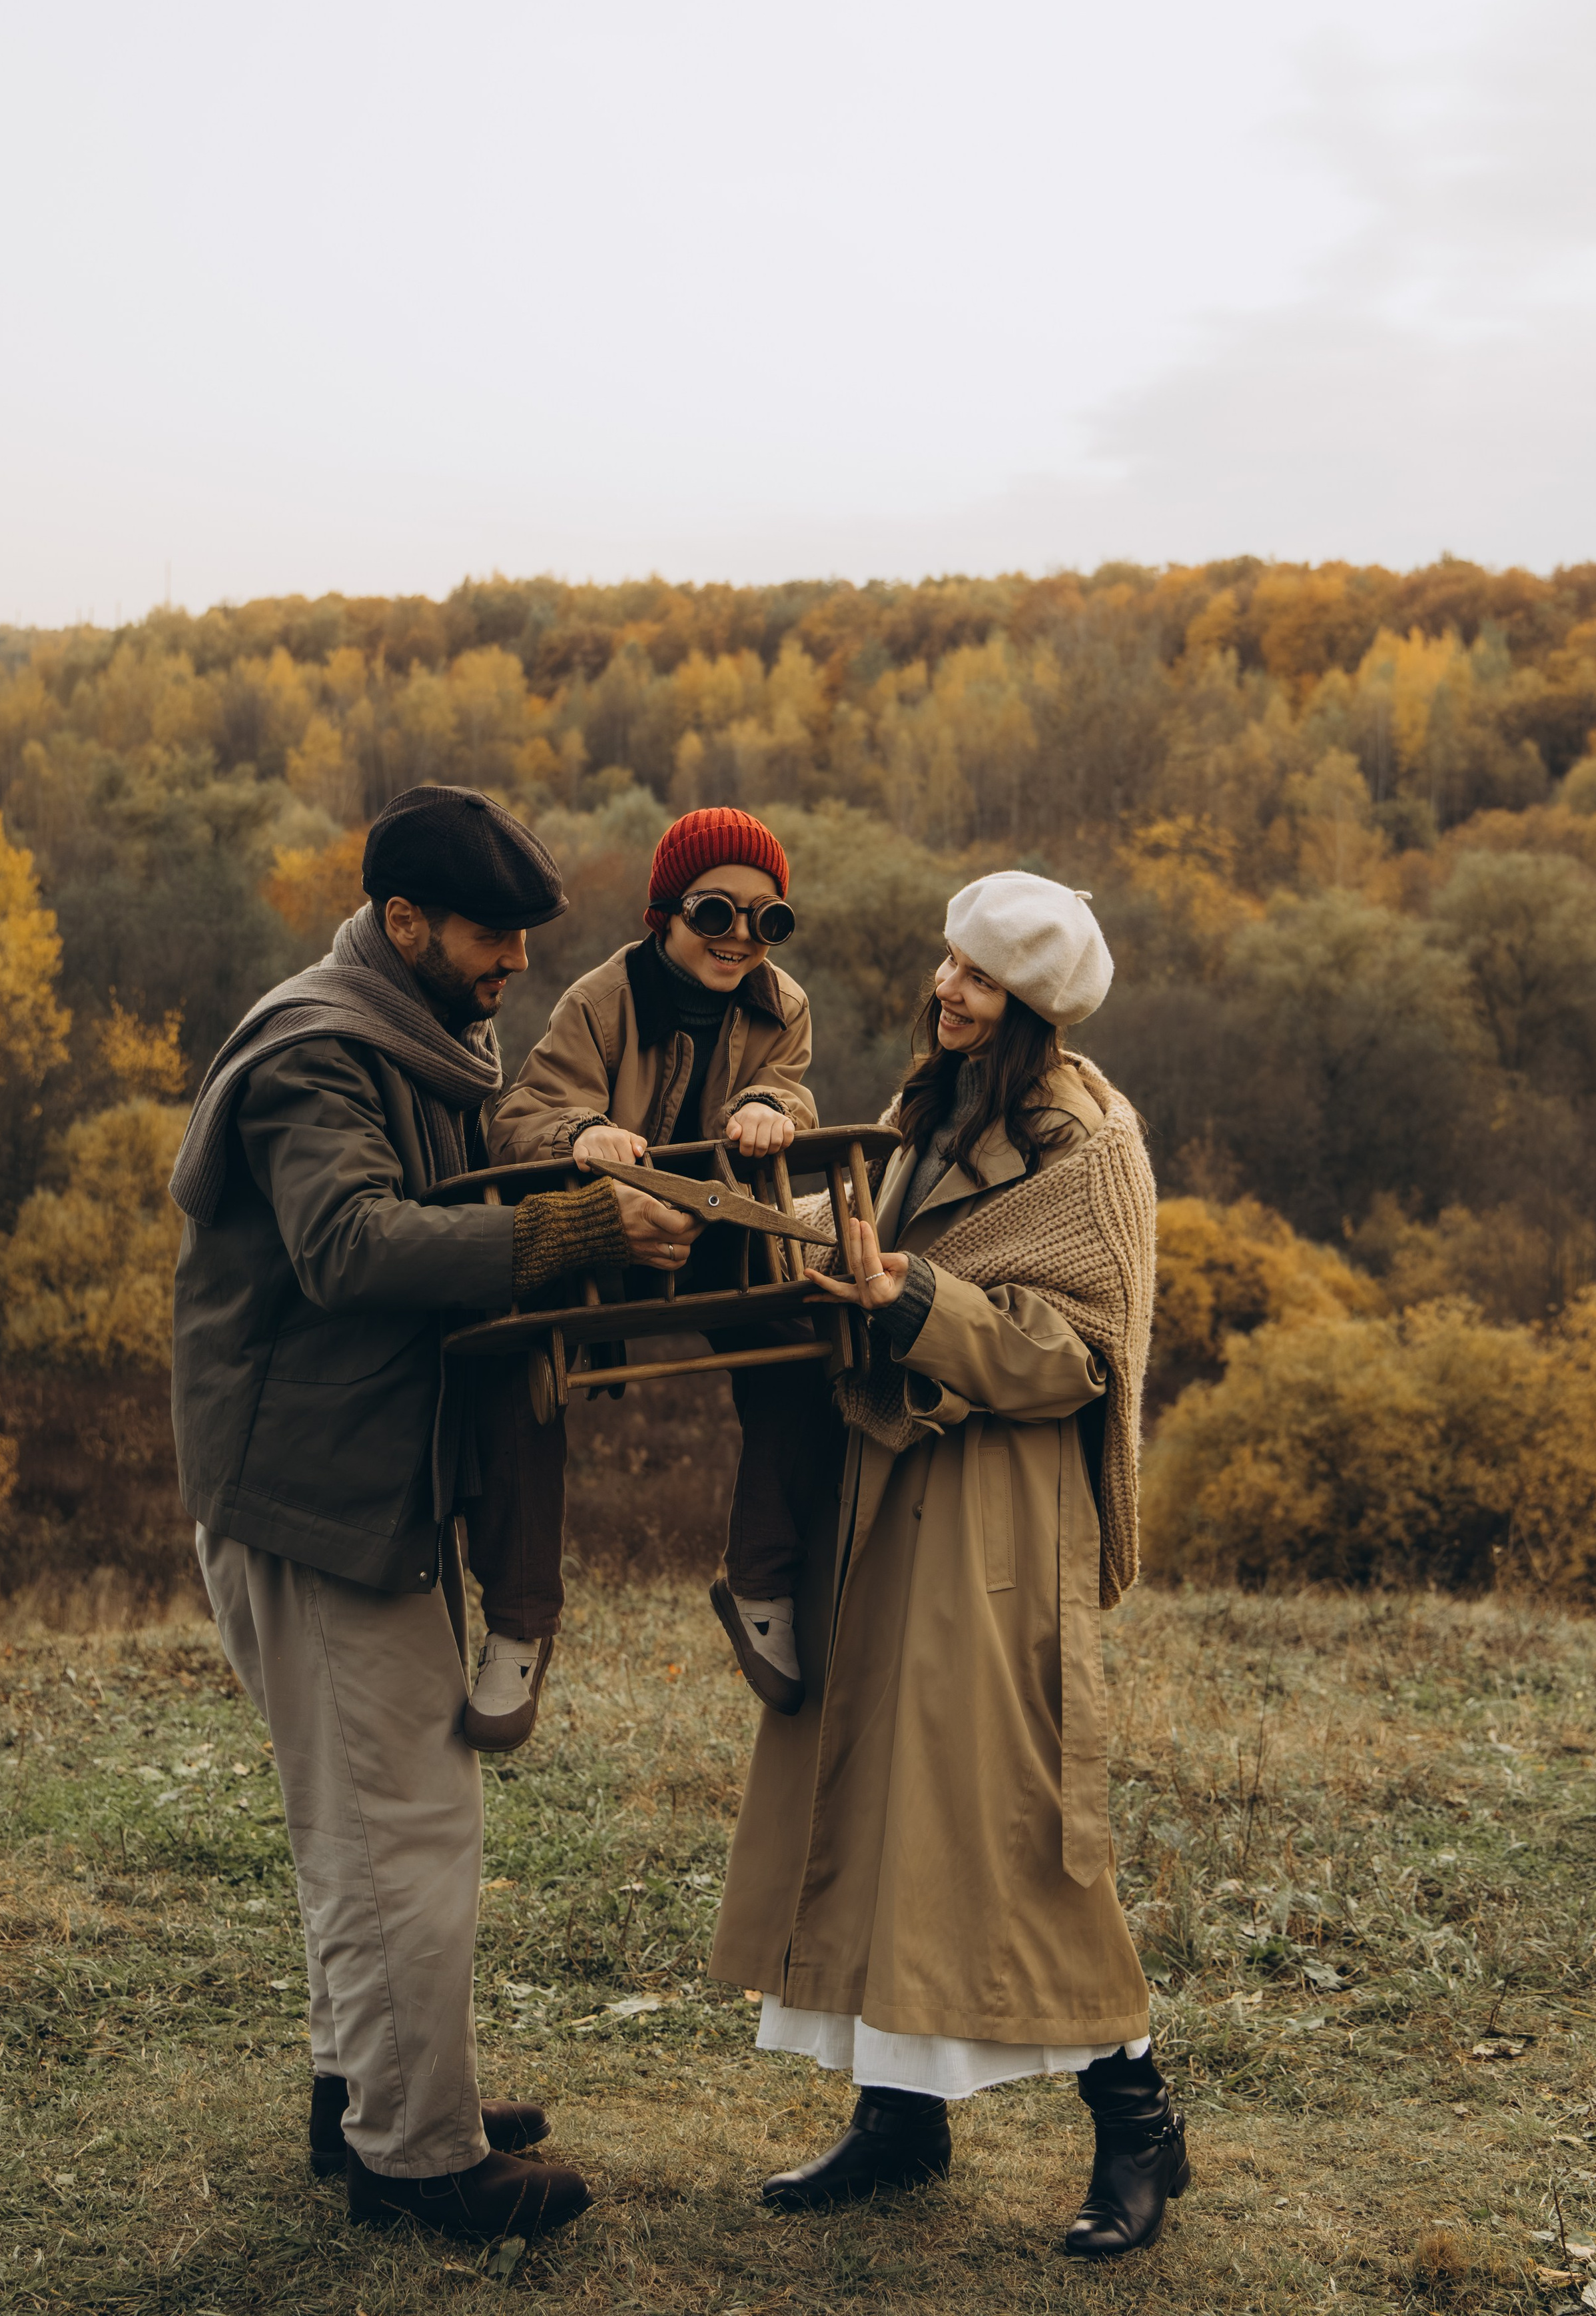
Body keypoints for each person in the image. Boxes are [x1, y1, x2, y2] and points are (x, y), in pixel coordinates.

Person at [169, 784, 698, 2249]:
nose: (514, 964)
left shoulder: (423, 1037)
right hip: (317, 1501)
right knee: (408, 1825)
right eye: (488, 934)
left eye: (528, 936)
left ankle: (367, 2093)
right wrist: (578, 1227)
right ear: (400, 922)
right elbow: (347, 1247)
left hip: (354, 1481)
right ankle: (418, 2159)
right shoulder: (315, 1055)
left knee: (357, 1825)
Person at [709, 870, 1189, 2261]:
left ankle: (1137, 2123)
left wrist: (910, 1297)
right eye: (946, 965)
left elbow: (1072, 1356)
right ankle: (899, 2119)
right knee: (877, 1806)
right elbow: (883, 1250)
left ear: (1031, 1003)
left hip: (995, 1510)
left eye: (977, 977)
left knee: (1019, 1821)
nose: (947, 989)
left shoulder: (1091, 1148)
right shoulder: (930, 1109)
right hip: (887, 1490)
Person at [478, 807, 845, 1732]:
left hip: (719, 1228)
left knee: (807, 1342)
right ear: (664, 914)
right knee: (519, 1370)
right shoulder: (601, 1001)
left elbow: (787, 1084)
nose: (739, 941)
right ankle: (520, 1624)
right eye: (714, 914)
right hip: (607, 1232)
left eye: (768, 920)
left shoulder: (782, 1003)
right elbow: (525, 1113)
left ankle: (762, 1578)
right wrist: (582, 1133)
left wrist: (767, 1104)